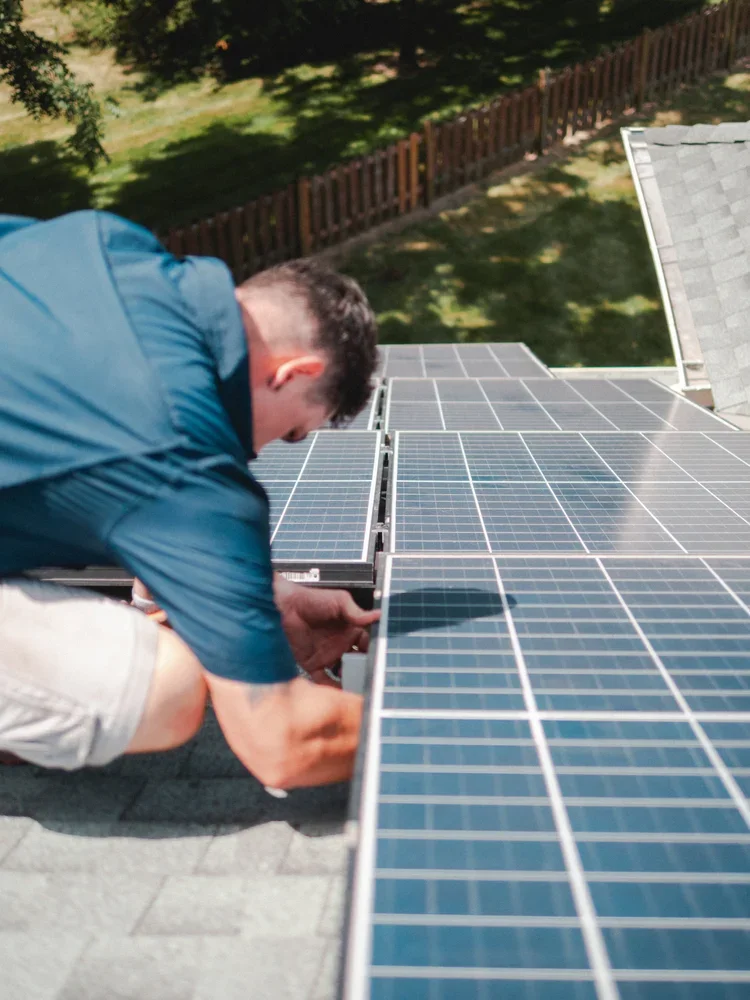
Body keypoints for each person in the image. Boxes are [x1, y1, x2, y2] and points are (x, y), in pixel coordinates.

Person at [0, 209, 380, 788]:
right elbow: (283, 744)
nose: (272, 449)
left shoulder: (106, 242)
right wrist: (470, 728)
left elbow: (107, 469)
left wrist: (258, 597)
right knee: (160, 686)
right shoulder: (185, 452)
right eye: (295, 430)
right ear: (292, 372)